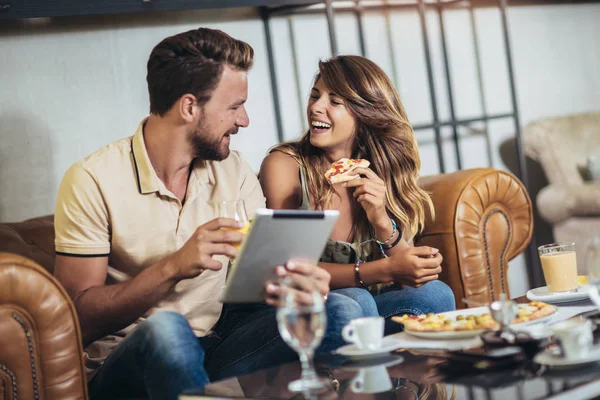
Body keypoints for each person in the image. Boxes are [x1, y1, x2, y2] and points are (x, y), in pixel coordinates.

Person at [53, 28, 363, 400]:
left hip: (215, 348)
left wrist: (295, 283)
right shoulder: (92, 179)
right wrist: (173, 267)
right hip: (126, 364)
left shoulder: (232, 170)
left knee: (340, 309)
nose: (244, 120)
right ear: (189, 107)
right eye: (234, 107)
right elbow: (75, 319)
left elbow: (263, 281)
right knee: (167, 331)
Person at [259, 55, 456, 335]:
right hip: (313, 309)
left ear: (365, 112)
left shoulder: (380, 169)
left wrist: (381, 218)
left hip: (370, 307)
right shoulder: (285, 166)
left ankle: (409, 379)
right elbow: (288, 270)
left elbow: (409, 281)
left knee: (435, 294)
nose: (316, 107)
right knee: (355, 300)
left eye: (334, 101)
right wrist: (384, 270)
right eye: (315, 96)